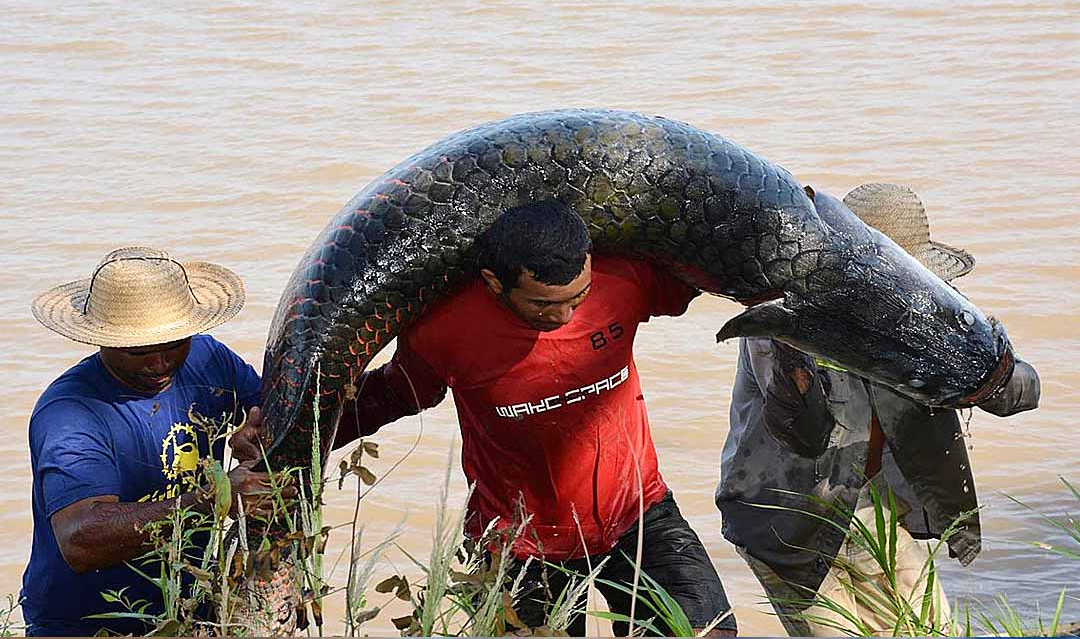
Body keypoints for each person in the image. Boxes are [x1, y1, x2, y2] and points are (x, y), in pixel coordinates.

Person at [332, 201, 737, 636]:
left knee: (710, 633)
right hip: (518, 545)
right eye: (543, 304)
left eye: (577, 298)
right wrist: (287, 441)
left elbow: (712, 271)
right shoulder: (443, 330)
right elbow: (393, 394)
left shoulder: (622, 280)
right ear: (494, 283)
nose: (563, 317)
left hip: (637, 513)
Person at [716, 183, 1041, 636]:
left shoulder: (933, 320)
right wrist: (798, 350)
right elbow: (803, 433)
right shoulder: (788, 322)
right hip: (787, 517)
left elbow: (1022, 394)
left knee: (934, 631)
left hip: (878, 508)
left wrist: (978, 371)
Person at [22, 246, 278, 637]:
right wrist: (216, 499)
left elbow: (270, 411)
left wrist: (254, 429)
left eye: (174, 344)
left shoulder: (208, 357)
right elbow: (80, 538)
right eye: (138, 352)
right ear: (102, 339)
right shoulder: (70, 413)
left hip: (186, 607)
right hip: (88, 624)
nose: (159, 364)